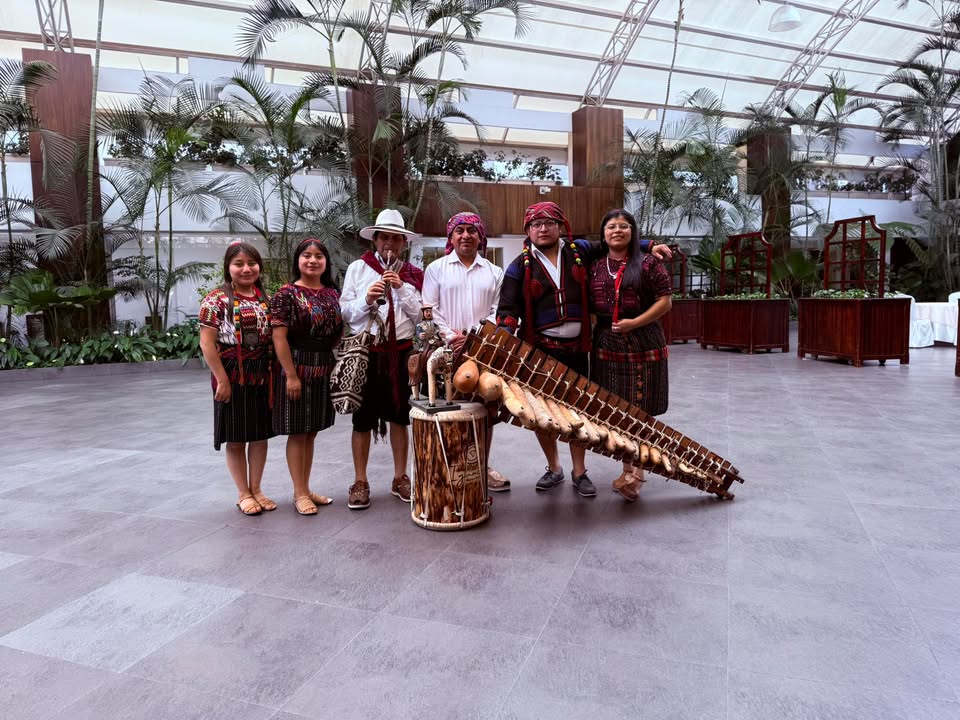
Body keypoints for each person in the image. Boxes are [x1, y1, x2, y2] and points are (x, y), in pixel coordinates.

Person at [496, 202, 669, 498]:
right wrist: (503, 341)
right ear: (527, 231)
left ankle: (579, 472)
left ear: (561, 226)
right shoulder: (518, 266)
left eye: (549, 222)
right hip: (542, 353)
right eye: (536, 224)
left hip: (578, 350)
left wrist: (649, 244)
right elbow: (507, 311)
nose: (543, 228)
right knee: (543, 415)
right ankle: (554, 468)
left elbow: (613, 240)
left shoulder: (579, 251)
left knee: (578, 412)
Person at [421, 211, 511, 491]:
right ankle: (451, 466)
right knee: (449, 409)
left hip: (483, 351)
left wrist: (474, 338)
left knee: (484, 409)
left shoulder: (495, 272)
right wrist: (451, 337)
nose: (465, 236)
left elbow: (499, 311)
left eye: (471, 231)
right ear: (451, 237)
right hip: (445, 351)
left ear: (480, 237)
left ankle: (481, 465)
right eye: (459, 230)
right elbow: (429, 308)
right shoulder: (436, 268)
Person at [340, 209, 423, 510]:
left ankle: (401, 477)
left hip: (401, 353)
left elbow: (419, 318)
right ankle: (360, 480)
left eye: (395, 238)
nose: (389, 243)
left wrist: (400, 288)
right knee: (362, 420)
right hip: (368, 352)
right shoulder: (358, 270)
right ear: (375, 240)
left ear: (403, 242)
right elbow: (345, 313)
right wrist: (366, 299)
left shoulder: (412, 274)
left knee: (401, 418)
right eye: (384, 237)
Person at [591, 209, 672, 502]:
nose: (617, 231)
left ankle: (638, 472)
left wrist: (634, 323)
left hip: (643, 342)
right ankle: (627, 467)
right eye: (611, 226)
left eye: (624, 226)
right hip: (607, 346)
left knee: (640, 409)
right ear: (603, 234)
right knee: (617, 411)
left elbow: (665, 301)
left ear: (632, 232)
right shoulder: (596, 264)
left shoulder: (649, 264)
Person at [198, 241, 275, 516]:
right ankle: (243, 493)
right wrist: (222, 379)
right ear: (228, 267)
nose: (246, 269)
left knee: (259, 434)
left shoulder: (266, 298)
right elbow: (207, 344)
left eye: (251, 263)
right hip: (230, 371)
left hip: (261, 373)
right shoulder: (215, 299)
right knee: (235, 436)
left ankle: (257, 489)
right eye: (239, 264)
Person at [271, 238, 344, 516]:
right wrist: (290, 375)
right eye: (306, 255)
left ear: (326, 262)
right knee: (298, 432)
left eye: (318, 256)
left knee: (312, 431)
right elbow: (279, 337)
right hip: (297, 365)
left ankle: (306, 486)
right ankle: (299, 492)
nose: (312, 260)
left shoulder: (333, 293)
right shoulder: (286, 294)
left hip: (323, 365)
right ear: (297, 261)